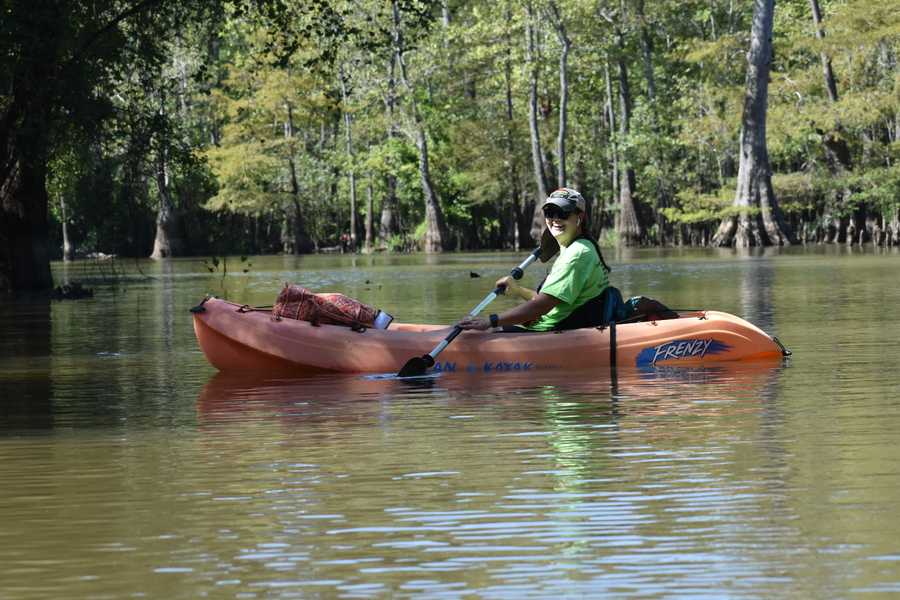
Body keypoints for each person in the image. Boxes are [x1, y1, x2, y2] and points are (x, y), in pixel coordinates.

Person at [457, 187, 612, 332]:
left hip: (550, 333)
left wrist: (490, 321)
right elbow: (550, 301)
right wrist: (517, 290)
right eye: (550, 212)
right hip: (552, 326)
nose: (555, 219)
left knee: (481, 332)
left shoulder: (577, 253)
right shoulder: (579, 247)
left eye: (563, 213)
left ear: (580, 217)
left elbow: (542, 306)